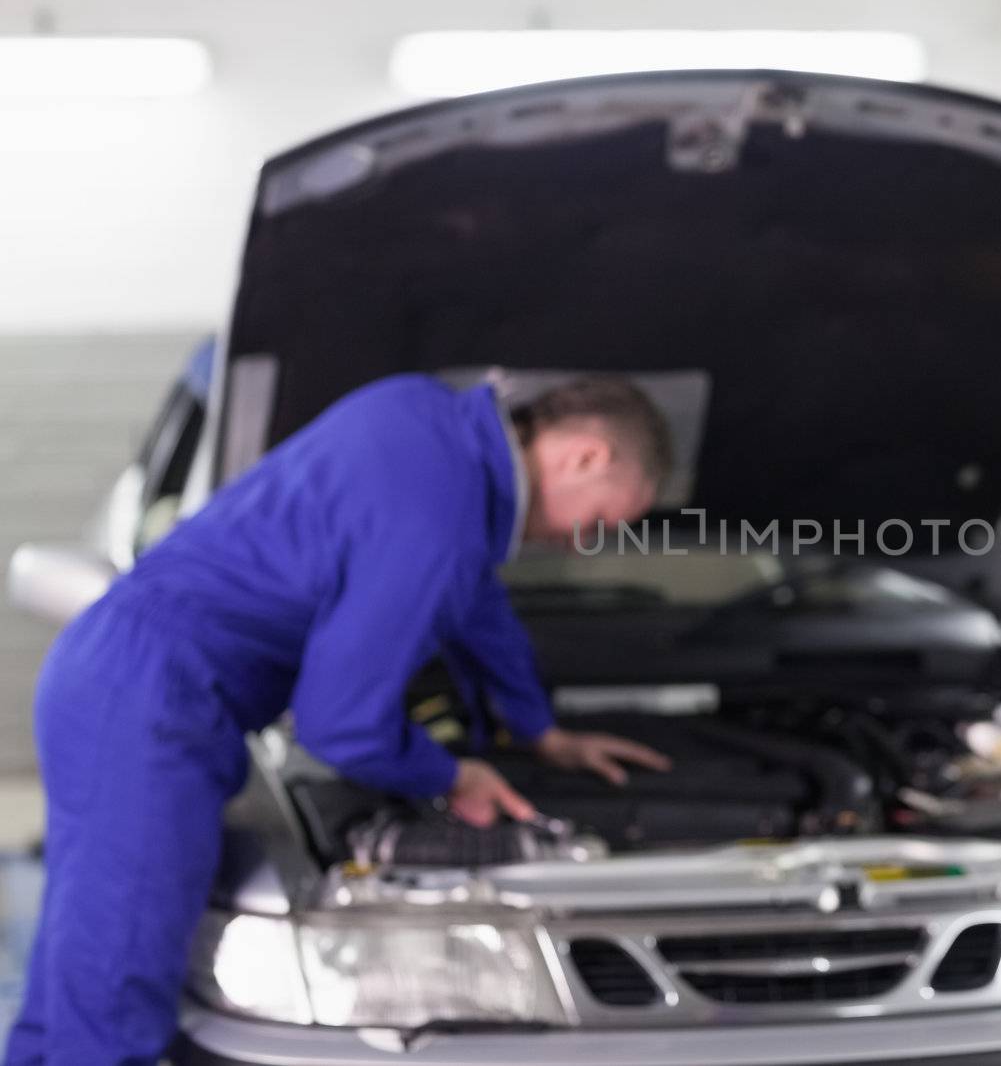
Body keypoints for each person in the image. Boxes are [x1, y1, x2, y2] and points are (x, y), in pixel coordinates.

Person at [4, 371, 676, 1064]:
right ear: (586, 456)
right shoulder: (440, 517)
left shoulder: (424, 418)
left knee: (72, 991)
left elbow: (478, 606)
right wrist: (450, 773)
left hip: (121, 682)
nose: (575, 544)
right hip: (153, 703)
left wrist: (542, 730)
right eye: (597, 524)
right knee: (114, 998)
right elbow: (340, 723)